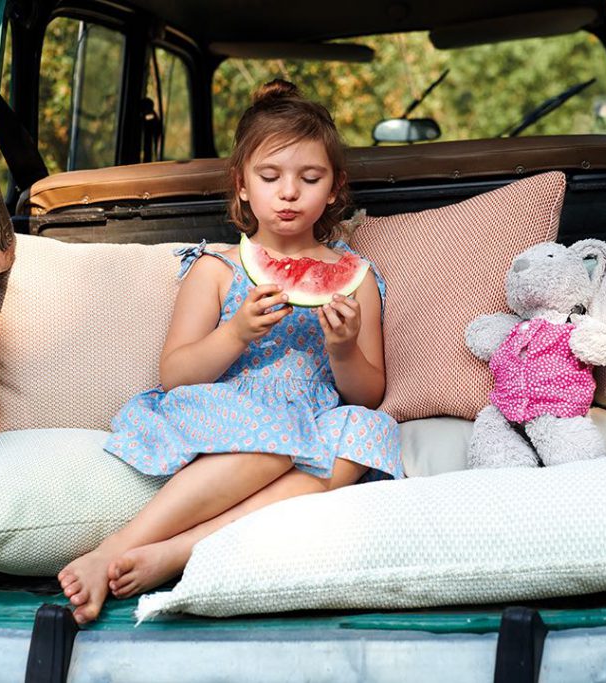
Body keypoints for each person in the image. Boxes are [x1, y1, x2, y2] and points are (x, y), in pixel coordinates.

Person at [57, 79, 403, 625]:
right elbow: (175, 373)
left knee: (369, 432)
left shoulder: (354, 279)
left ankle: (178, 552)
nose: (288, 193)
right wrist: (236, 333)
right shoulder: (215, 269)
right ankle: (113, 548)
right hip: (226, 410)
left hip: (311, 420)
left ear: (335, 188)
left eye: (309, 178)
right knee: (273, 444)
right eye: (270, 177)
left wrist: (342, 349)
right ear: (241, 186)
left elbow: (368, 392)